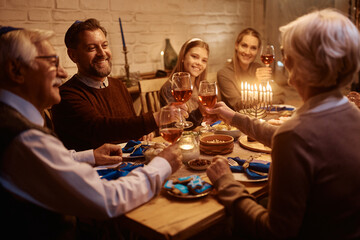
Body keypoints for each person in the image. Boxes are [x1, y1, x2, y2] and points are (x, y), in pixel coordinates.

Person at [0, 26, 182, 239]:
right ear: (16, 71)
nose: (63, 72)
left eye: (104, 45)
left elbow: (49, 160)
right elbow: (107, 200)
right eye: (52, 63)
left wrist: (89, 155)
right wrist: (162, 164)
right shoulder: (23, 137)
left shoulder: (14, 125)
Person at [205, 9, 360, 239]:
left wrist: (226, 183)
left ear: (304, 65)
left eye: (288, 53)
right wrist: (234, 117)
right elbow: (286, 136)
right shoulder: (351, 113)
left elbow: (274, 233)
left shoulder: (294, 137)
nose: (283, 60)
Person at [51, 19, 186, 151]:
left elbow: (126, 127)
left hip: (127, 165)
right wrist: (156, 118)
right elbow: (100, 129)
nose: (102, 53)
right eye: (91, 48)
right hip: (92, 171)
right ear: (73, 55)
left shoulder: (118, 85)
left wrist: (141, 133)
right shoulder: (65, 95)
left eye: (104, 45)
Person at [217, 28, 273, 110]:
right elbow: (238, 106)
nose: (247, 52)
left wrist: (263, 102)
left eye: (253, 48)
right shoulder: (224, 74)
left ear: (258, 50)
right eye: (244, 46)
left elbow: (279, 95)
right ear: (236, 45)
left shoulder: (258, 68)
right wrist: (257, 82)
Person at [160, 38, 209, 128]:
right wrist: (200, 112)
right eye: (194, 57)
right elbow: (178, 126)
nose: (199, 63)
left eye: (204, 60)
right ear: (183, 57)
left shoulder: (202, 86)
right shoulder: (170, 88)